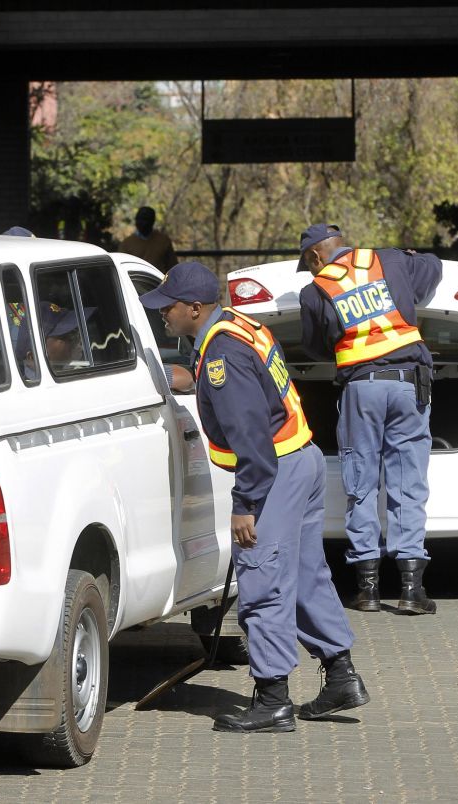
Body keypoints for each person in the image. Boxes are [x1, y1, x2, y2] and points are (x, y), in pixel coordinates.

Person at [140, 260, 369, 732]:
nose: (163, 313)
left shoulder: (222, 354)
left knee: (263, 581)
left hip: (271, 473)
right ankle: (341, 676)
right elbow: (251, 390)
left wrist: (245, 503)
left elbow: (250, 433)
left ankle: (272, 700)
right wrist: (191, 377)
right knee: (304, 574)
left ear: (194, 308)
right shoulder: (236, 327)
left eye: (169, 307)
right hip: (300, 460)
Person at [297, 223, 443, 615]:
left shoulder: (314, 291)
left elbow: (314, 346)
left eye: (308, 264)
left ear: (315, 256)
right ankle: (411, 589)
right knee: (408, 483)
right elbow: (433, 267)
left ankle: (368, 590)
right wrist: (410, 264)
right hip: (409, 385)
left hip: (361, 389)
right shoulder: (389, 260)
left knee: (361, 483)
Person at [118, 206, 178, 272]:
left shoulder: (164, 241)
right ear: (136, 220)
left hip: (159, 278)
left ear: (153, 221)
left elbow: (173, 267)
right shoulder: (127, 244)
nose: (143, 223)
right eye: (140, 219)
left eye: (146, 219)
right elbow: (121, 268)